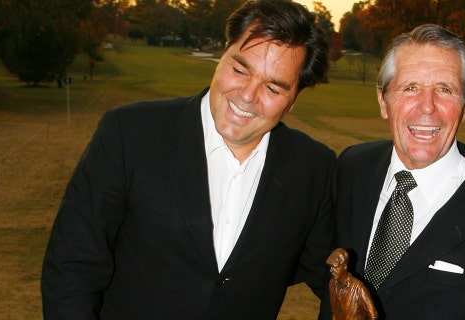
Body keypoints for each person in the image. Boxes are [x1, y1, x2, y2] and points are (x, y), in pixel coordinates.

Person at [41, 1, 334, 319]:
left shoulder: (313, 169)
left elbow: (336, 280)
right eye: (239, 70)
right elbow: (72, 268)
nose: (247, 96)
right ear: (223, 53)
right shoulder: (129, 134)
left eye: (273, 88)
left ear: (293, 100)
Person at [320, 24, 465, 319]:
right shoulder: (351, 169)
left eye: (445, 89)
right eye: (411, 87)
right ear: (383, 101)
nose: (427, 107)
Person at [326, 248, 378, 320]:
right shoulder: (332, 284)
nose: (331, 270)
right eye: (331, 267)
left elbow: (373, 316)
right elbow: (334, 312)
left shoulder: (359, 288)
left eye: (335, 267)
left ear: (344, 267)